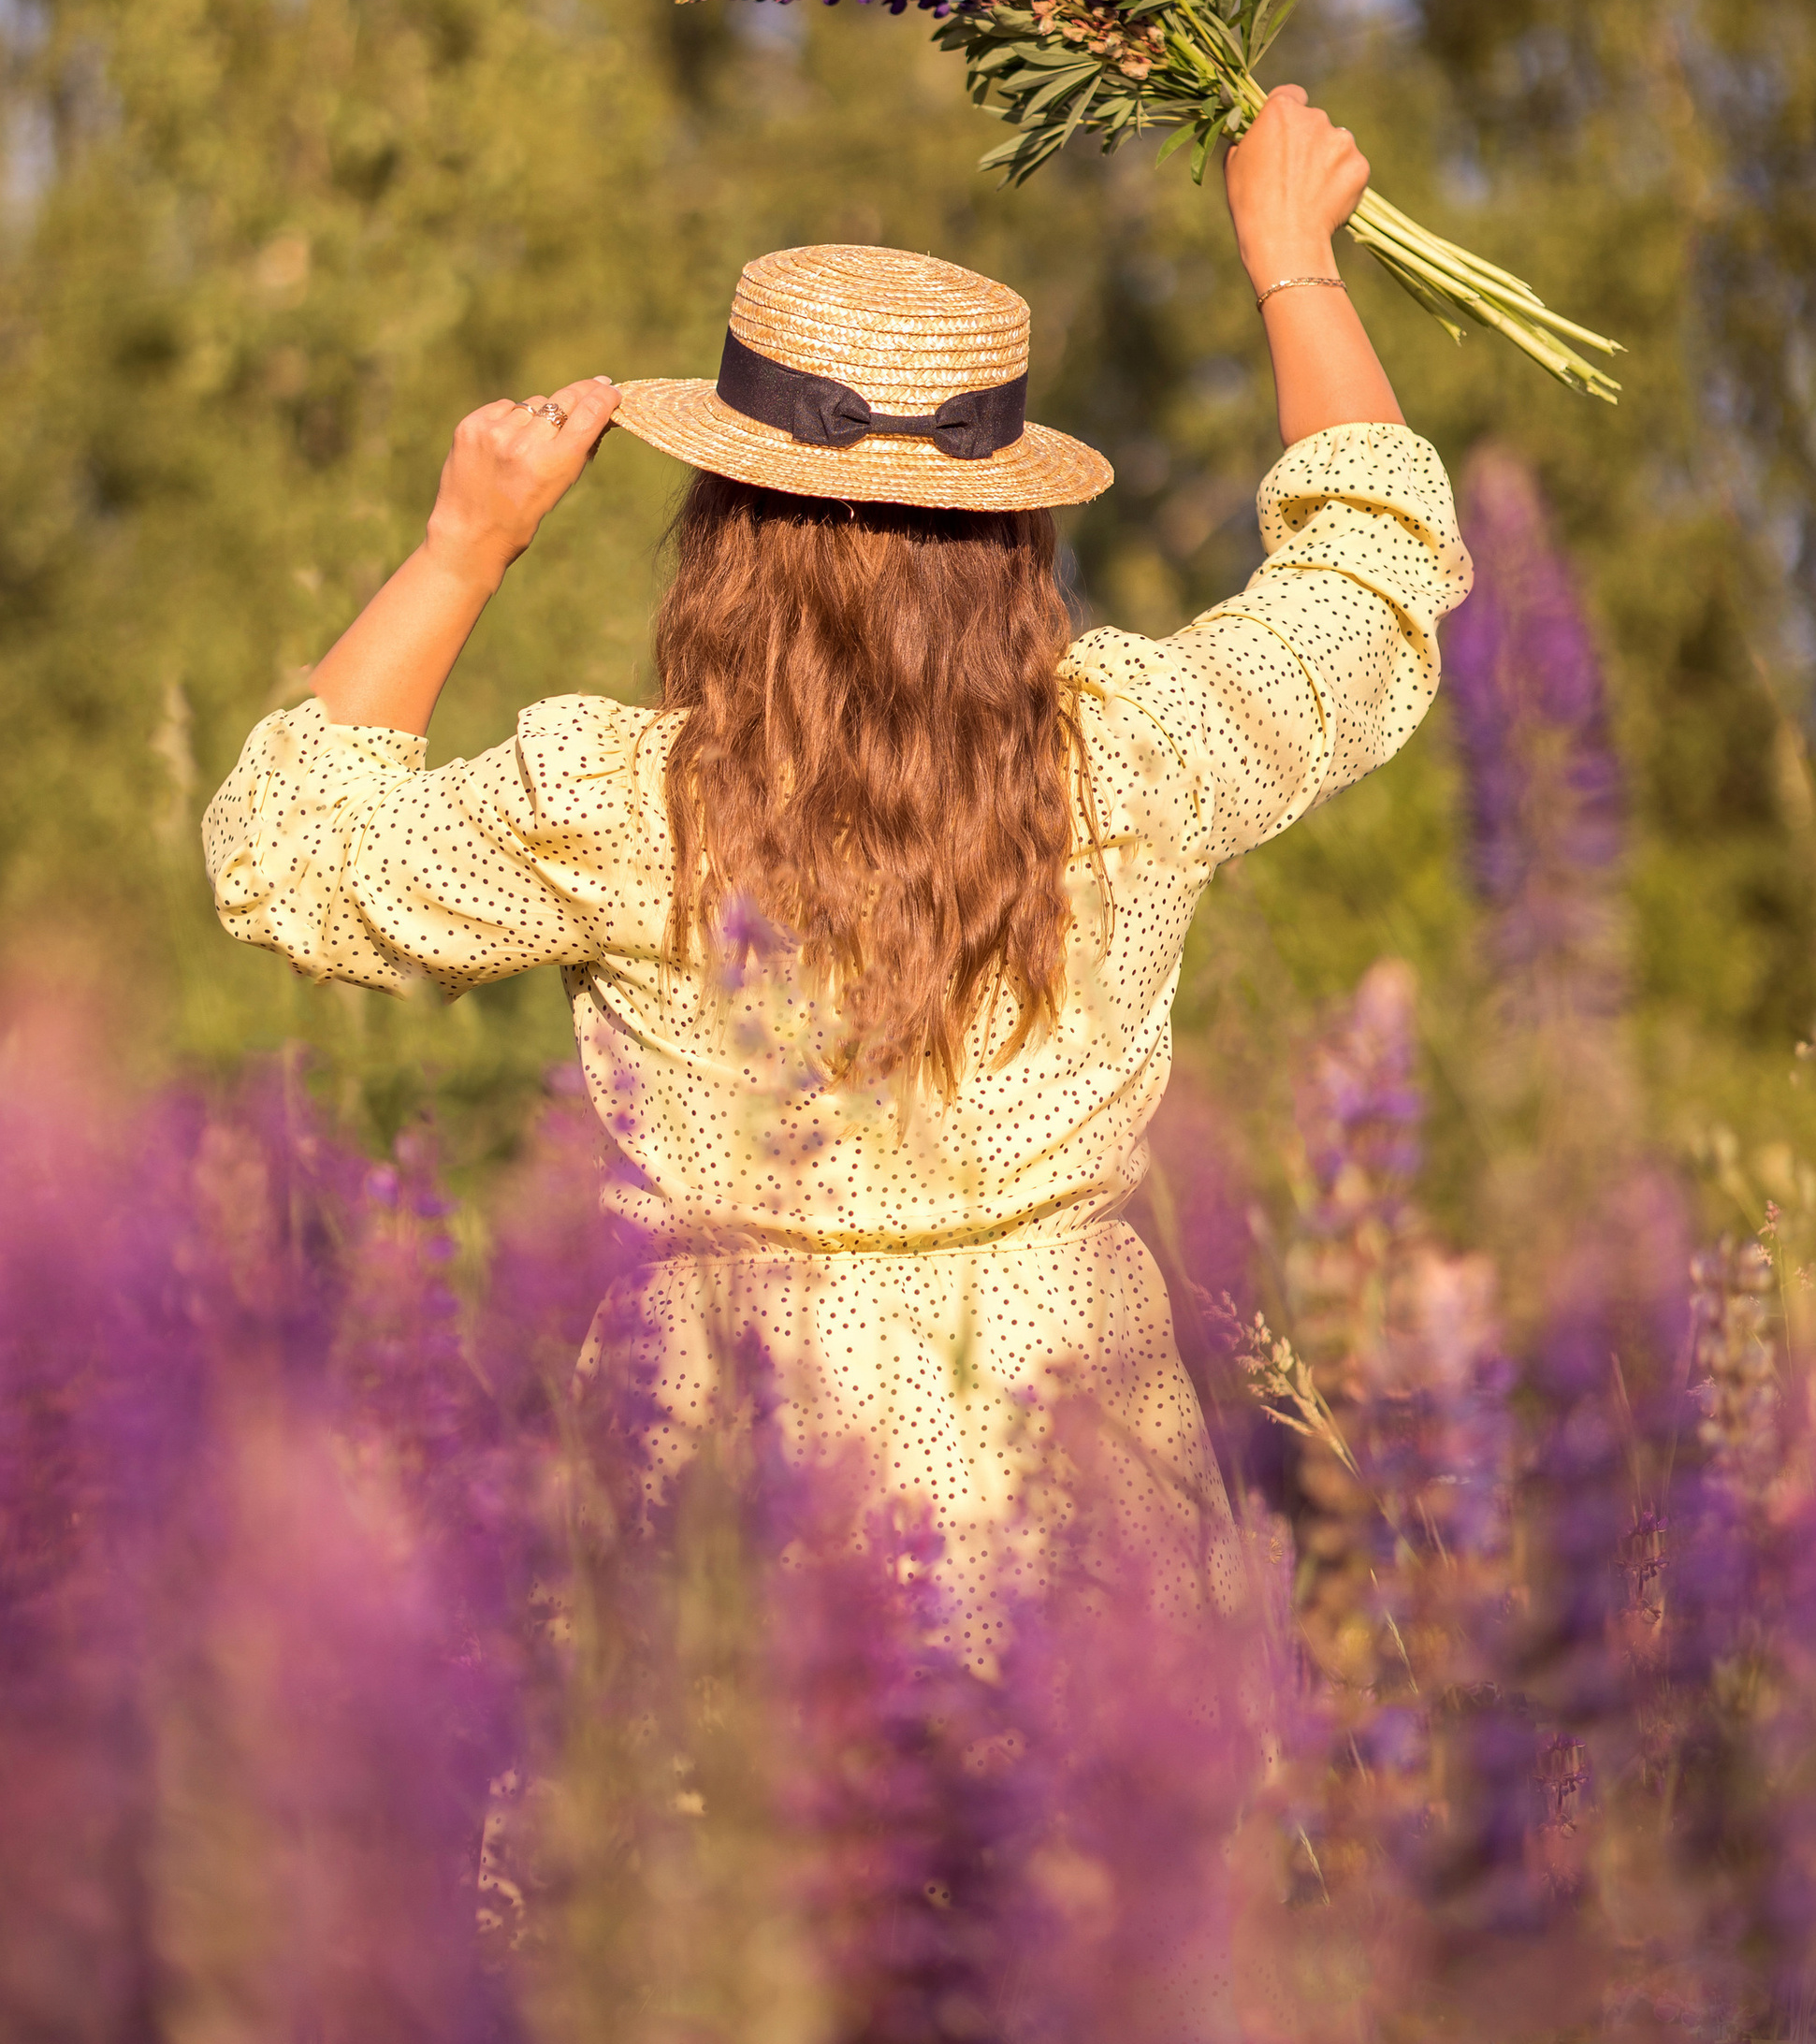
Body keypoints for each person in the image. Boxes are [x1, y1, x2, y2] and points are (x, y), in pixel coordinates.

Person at [202, 86, 1472, 1674]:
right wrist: (1294, 263)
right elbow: (1371, 573)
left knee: (733, 1838)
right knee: (1098, 1838)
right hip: (1081, 1493)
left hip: (735, 1498)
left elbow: (286, 856)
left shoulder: (630, 809)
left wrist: (464, 546)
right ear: (1015, 528)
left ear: (724, 528)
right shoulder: (1133, 759)